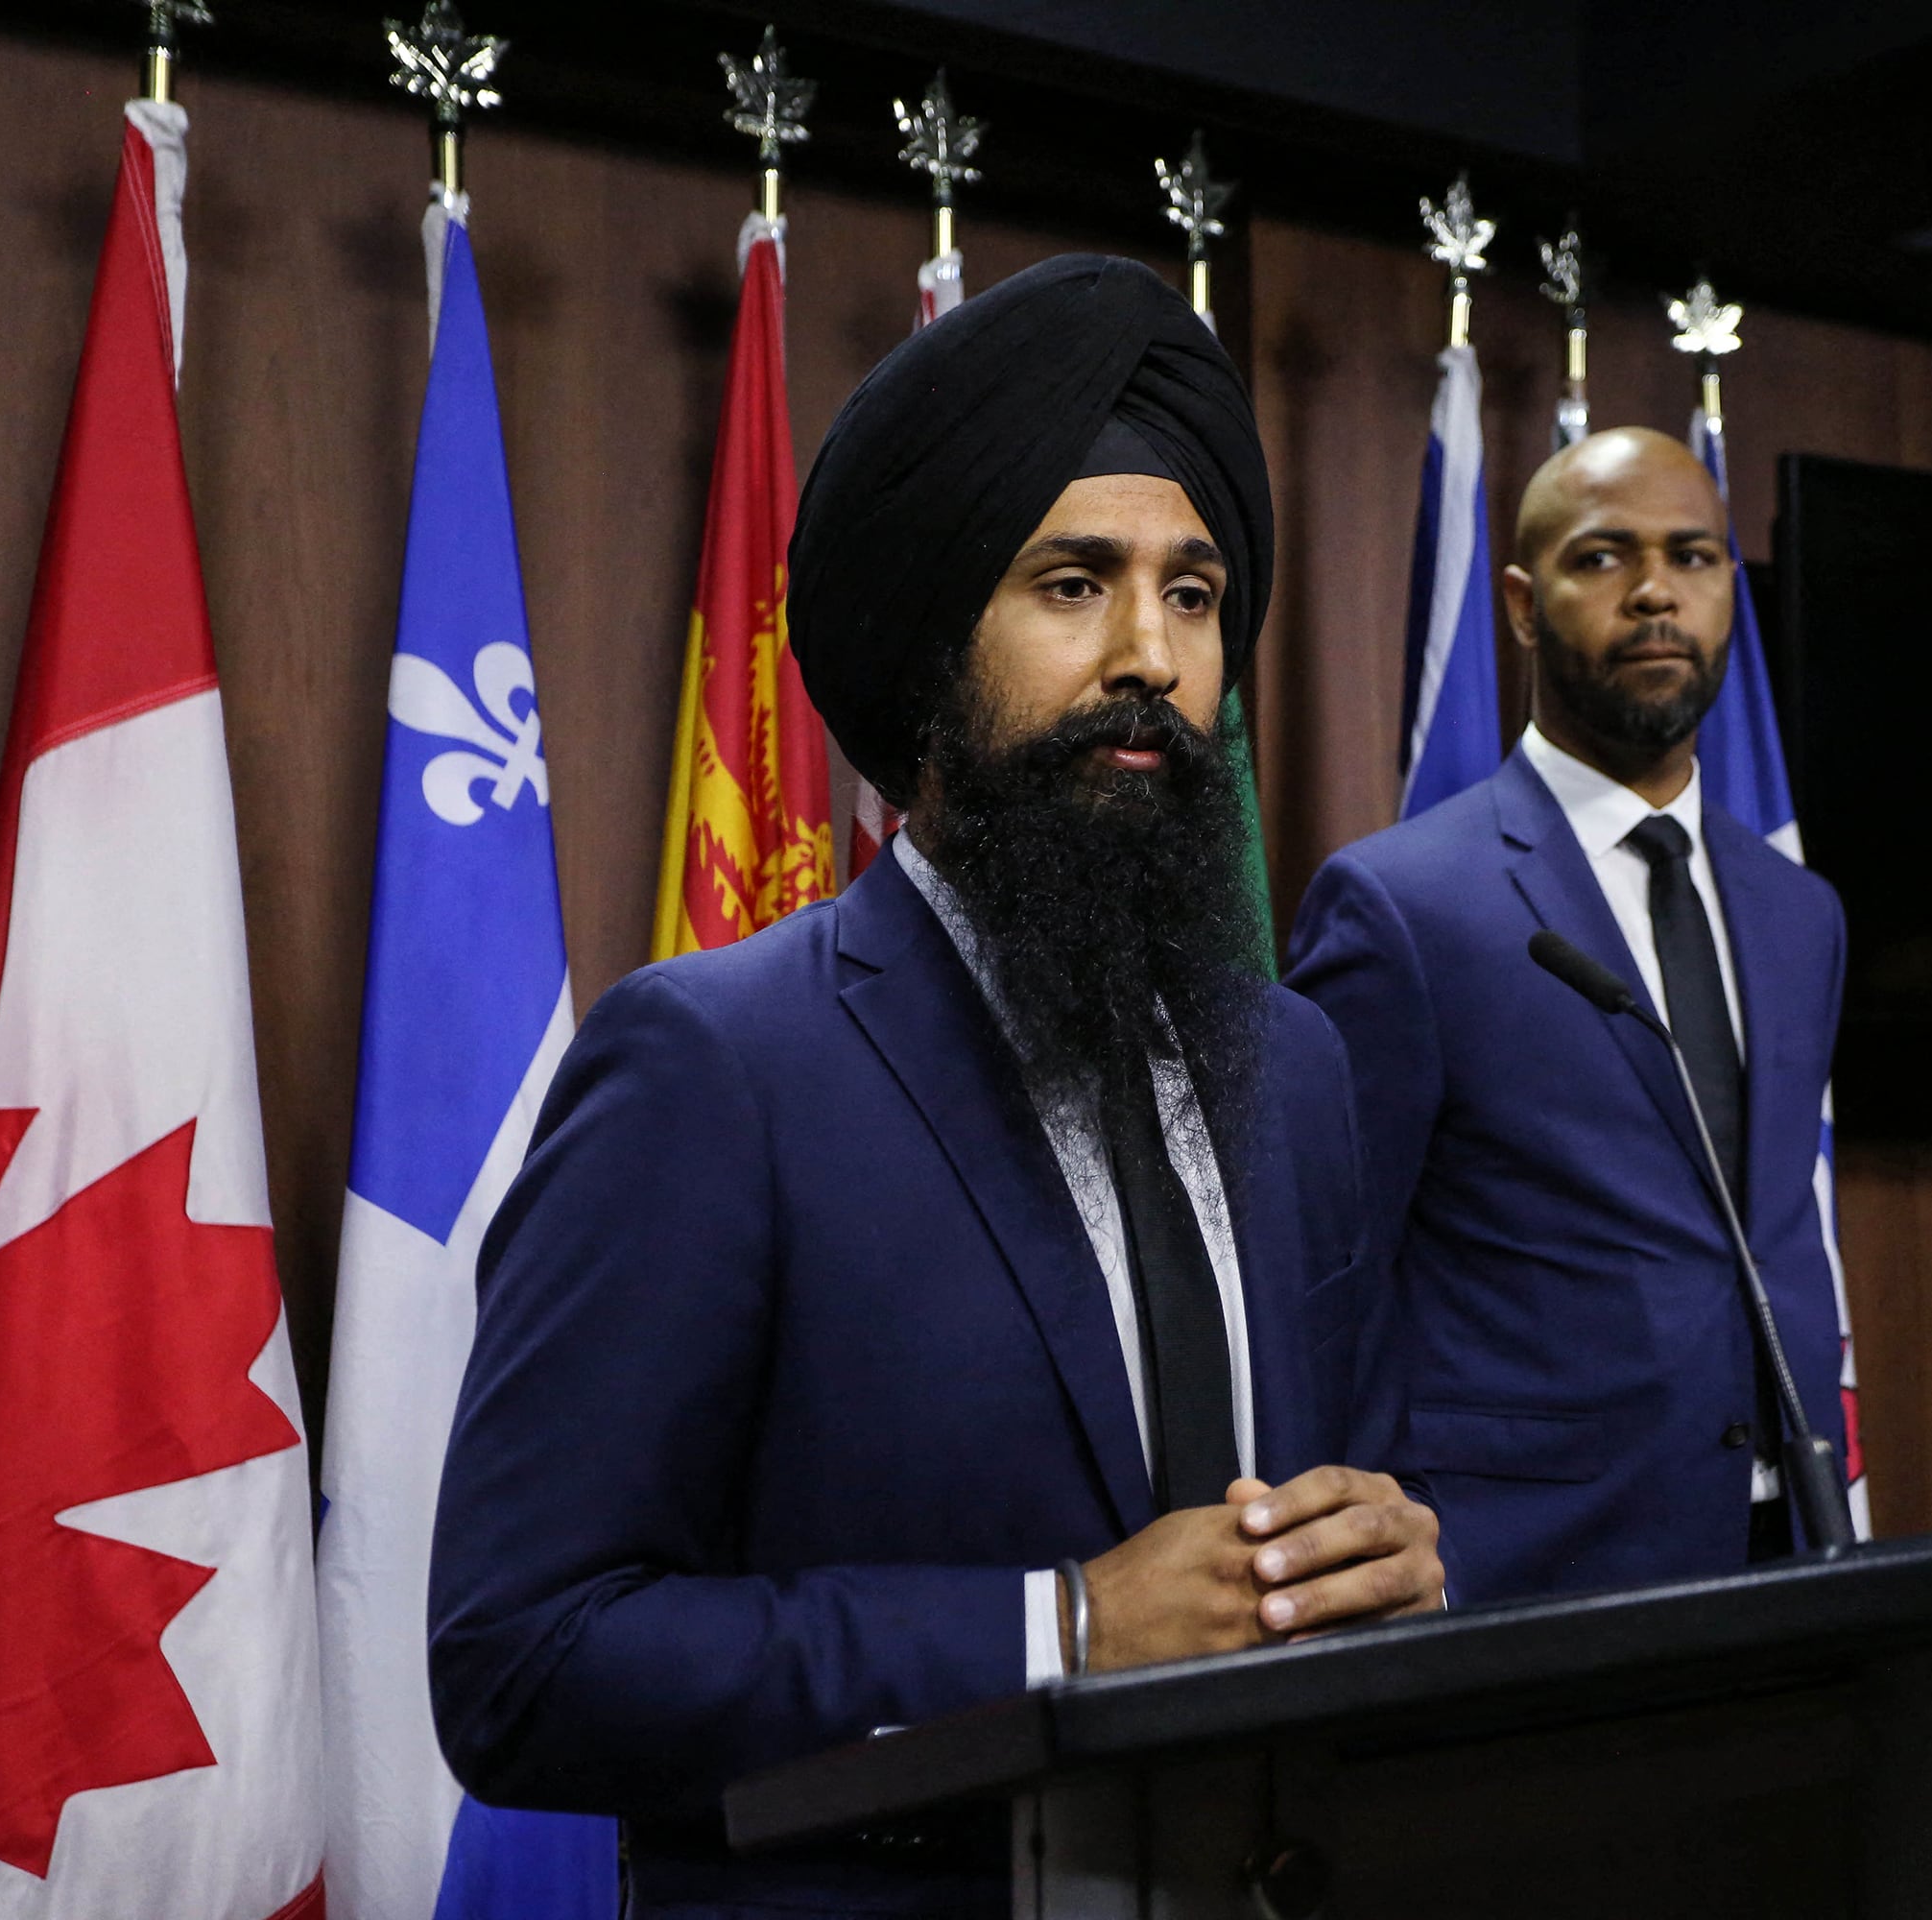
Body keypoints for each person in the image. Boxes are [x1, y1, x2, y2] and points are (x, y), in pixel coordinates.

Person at [428, 254, 1441, 1919]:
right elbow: (526, 1663)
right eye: (1072, 583)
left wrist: (1397, 1556)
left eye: (1194, 595)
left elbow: (1353, 1494)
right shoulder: (712, 1067)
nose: (1150, 657)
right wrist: (1061, 1633)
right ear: (928, 646)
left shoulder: (1300, 1064)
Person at [1285, 425, 1850, 1602]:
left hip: (1790, 1548)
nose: (1655, 591)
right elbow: (1322, 1272)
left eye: (1693, 558)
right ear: (1522, 603)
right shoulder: (1402, 904)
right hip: (1523, 1576)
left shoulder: (1802, 914)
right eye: (1604, 558)